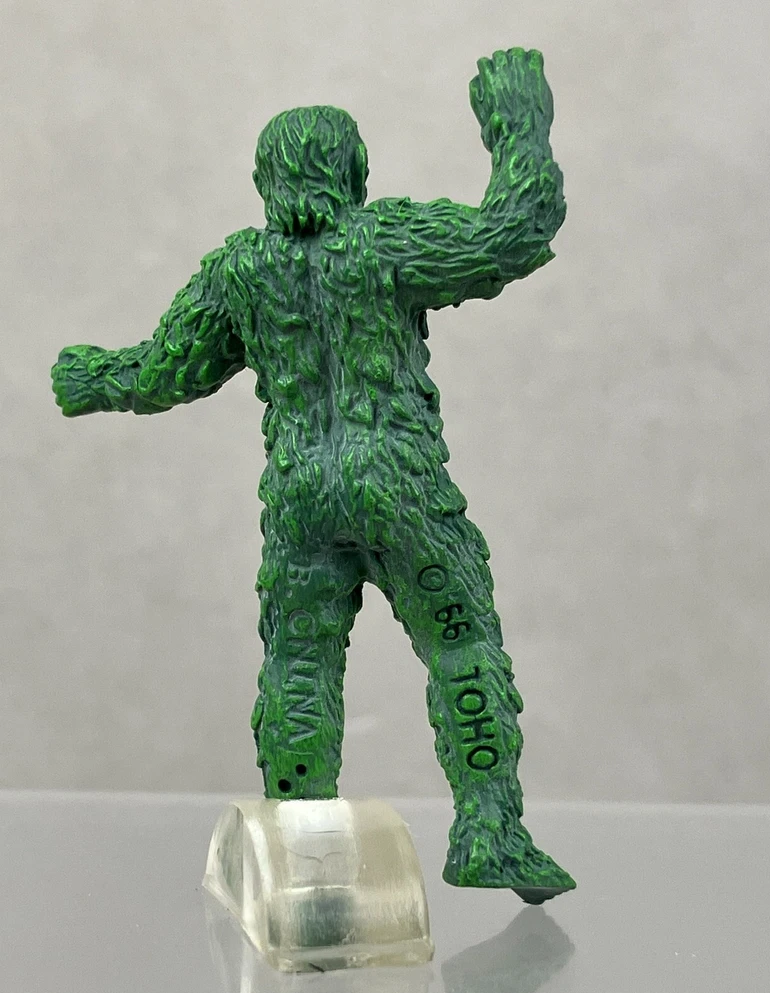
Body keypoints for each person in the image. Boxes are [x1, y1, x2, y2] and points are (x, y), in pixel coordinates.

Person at [52, 48, 574, 901]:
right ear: (354, 174)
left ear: (266, 182)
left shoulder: (241, 270)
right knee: (459, 641)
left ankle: (299, 846)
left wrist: (91, 377)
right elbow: (512, 233)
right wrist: (519, 123)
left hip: (300, 494)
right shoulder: (383, 243)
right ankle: (490, 828)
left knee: (299, 661)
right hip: (397, 483)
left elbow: (162, 371)